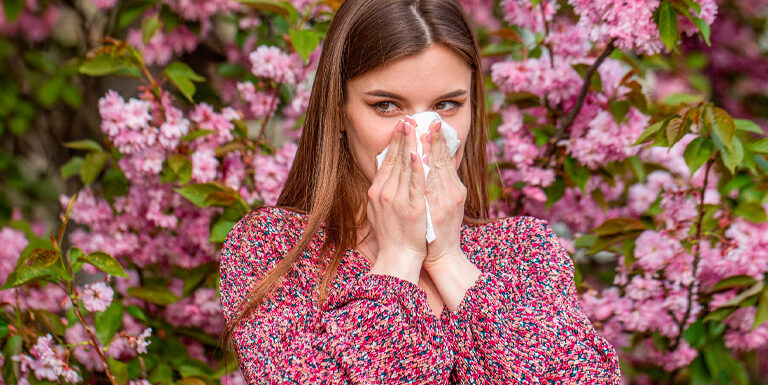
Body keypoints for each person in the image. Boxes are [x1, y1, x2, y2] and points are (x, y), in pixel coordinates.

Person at [218, 0, 622, 383]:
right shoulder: (274, 250)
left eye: (446, 105)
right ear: (339, 110)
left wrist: (448, 259)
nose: (422, 132)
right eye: (386, 105)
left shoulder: (522, 251)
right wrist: (399, 259)